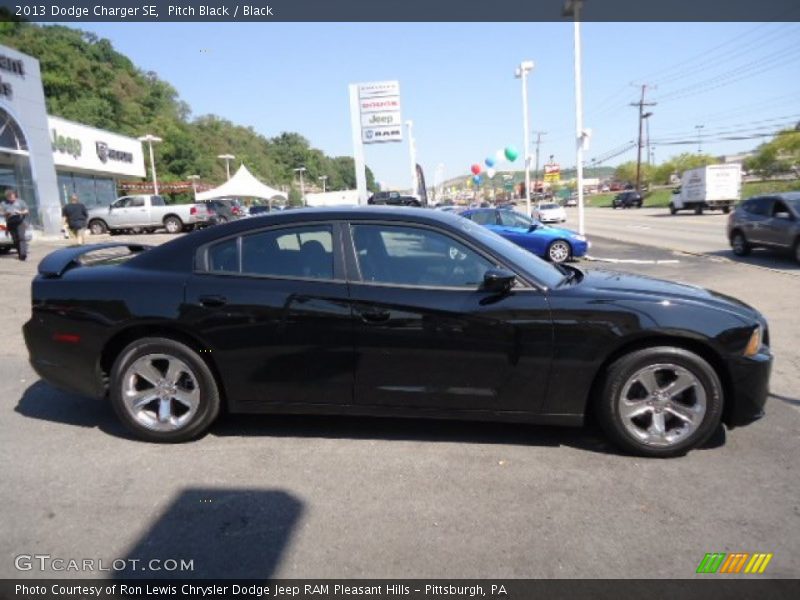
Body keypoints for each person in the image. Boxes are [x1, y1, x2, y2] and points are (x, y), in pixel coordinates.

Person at [1, 189, 29, 260]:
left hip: (20, 221)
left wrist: (20, 212)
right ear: (7, 197)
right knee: (15, 239)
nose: (12, 198)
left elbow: (26, 211)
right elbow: (1, 212)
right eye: (10, 197)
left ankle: (23, 254)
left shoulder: (20, 202)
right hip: (10, 223)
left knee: (21, 237)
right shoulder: (3, 203)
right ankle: (20, 253)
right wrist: (6, 213)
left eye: (13, 197)